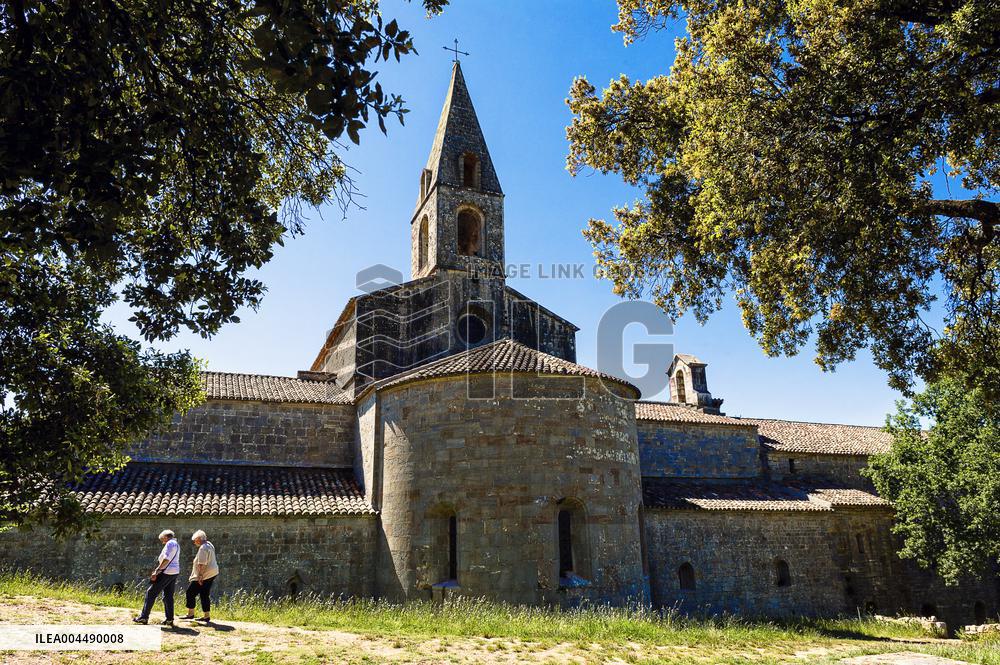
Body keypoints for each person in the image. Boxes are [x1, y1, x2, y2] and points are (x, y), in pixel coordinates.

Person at [133, 529, 180, 626]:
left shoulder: (169, 544)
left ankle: (144, 617)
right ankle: (169, 619)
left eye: (162, 539)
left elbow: (166, 559)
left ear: (166, 537)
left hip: (166, 572)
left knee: (151, 593)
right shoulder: (176, 544)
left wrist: (157, 571)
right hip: (174, 572)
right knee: (168, 596)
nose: (162, 542)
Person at [181, 529, 218, 622]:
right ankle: (206, 616)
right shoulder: (209, 544)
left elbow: (202, 564)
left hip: (205, 574)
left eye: (195, 540)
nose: (194, 542)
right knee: (204, 594)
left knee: (190, 592)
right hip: (212, 573)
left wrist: (200, 576)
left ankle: (190, 614)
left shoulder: (203, 548)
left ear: (199, 539)